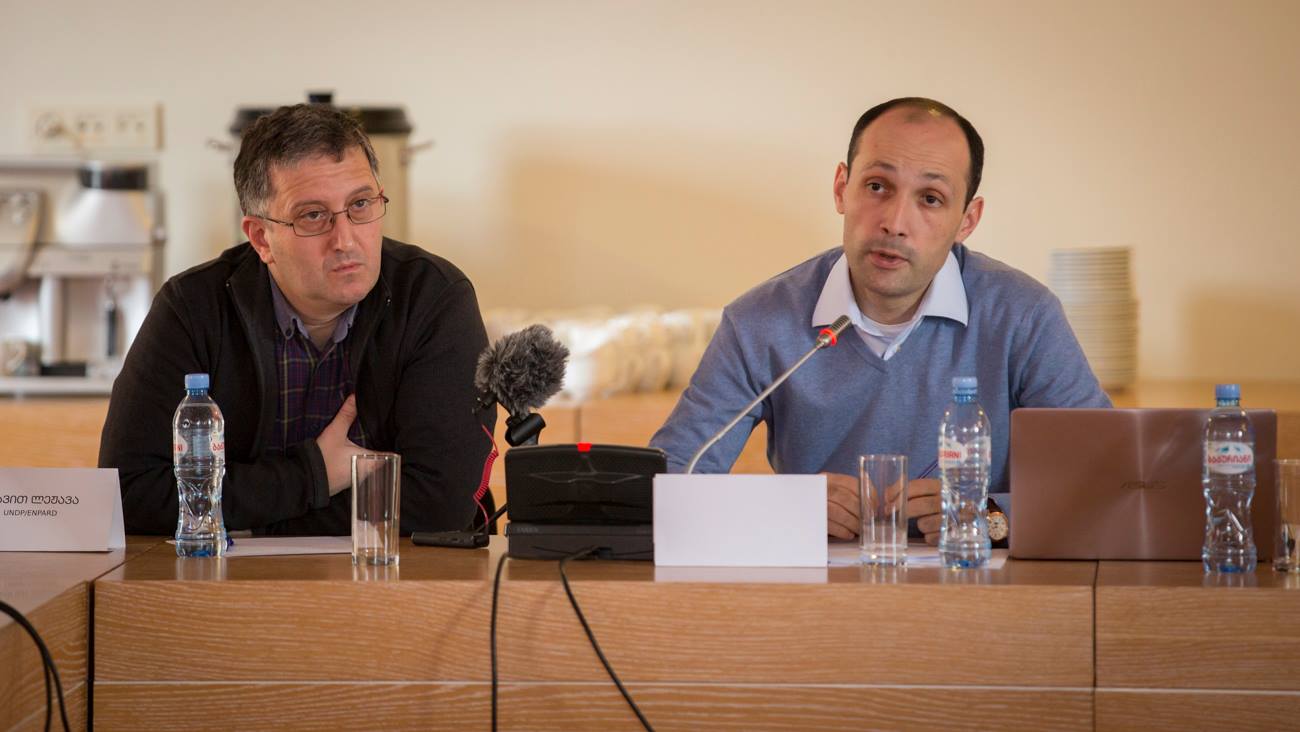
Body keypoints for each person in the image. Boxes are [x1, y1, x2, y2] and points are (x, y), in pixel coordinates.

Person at [650, 97, 1110, 543]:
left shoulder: (1023, 315)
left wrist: (994, 517)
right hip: (819, 585)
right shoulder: (758, 322)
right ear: (841, 189)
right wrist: (783, 504)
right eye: (876, 187)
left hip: (974, 579)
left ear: (967, 220)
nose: (895, 222)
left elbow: (1108, 479)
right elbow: (668, 482)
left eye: (930, 198)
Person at [100, 104, 494, 535]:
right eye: (313, 216)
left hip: (394, 574)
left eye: (361, 204)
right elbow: (128, 494)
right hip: (228, 575)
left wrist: (250, 519)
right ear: (261, 238)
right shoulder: (192, 308)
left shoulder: (433, 298)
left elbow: (440, 504)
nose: (346, 240)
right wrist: (313, 476)